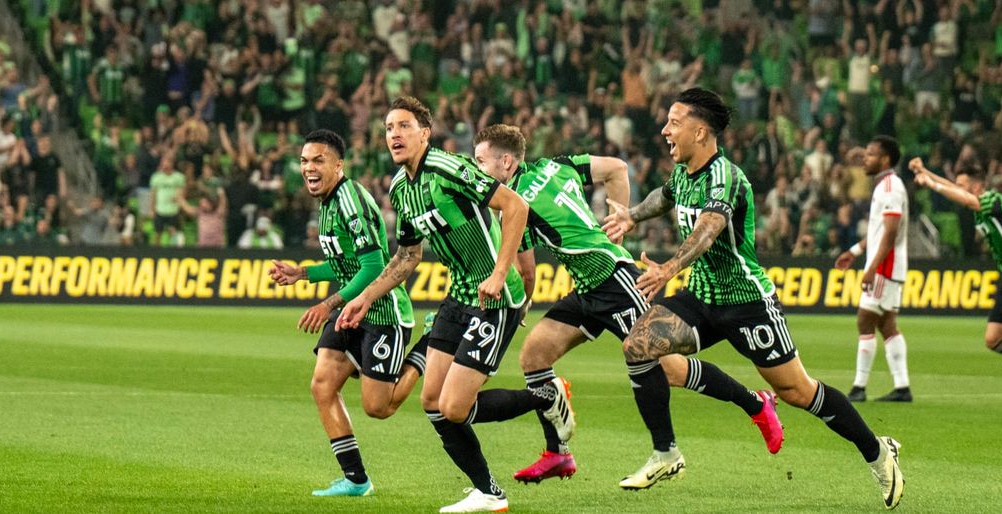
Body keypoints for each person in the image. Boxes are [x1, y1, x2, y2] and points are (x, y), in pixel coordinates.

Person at [602, 89, 902, 509]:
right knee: (638, 346)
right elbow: (664, 195)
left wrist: (669, 269)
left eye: (674, 122)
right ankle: (666, 453)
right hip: (703, 298)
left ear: (700, 130)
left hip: (747, 303)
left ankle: (877, 451)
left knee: (799, 392)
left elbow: (708, 228)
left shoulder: (725, 175)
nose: (665, 130)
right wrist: (632, 215)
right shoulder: (684, 172)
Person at [471, 124, 783, 486]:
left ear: (506, 162)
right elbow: (616, 168)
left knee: (666, 368)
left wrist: (521, 307)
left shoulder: (514, 205)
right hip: (589, 287)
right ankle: (558, 453)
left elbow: (527, 274)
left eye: (481, 161)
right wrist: (618, 220)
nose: (477, 170)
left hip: (615, 283)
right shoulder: (558, 164)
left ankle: (755, 404)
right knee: (535, 357)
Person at [337, 97, 530, 513]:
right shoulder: (400, 189)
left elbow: (516, 207)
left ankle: (544, 397)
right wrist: (364, 298)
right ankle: (488, 492)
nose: (394, 135)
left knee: (453, 406)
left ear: (425, 133)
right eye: (388, 128)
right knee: (431, 403)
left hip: (495, 298)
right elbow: (408, 256)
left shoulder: (449, 168)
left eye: (403, 126)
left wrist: (498, 274)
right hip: (458, 297)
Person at [269, 129, 427, 498]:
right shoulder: (328, 202)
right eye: (305, 161)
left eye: (318, 160)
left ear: (338, 165)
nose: (309, 167)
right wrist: (303, 273)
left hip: (383, 312)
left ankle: (426, 349)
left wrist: (328, 303)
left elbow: (373, 267)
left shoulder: (350, 200)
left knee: (379, 408)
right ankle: (356, 479)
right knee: (322, 384)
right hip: (351, 310)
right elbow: (345, 263)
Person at [835, 136, 912, 402]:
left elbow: (890, 234)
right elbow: (879, 231)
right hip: (889, 265)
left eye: (870, 154)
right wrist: (855, 252)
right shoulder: (886, 186)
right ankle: (902, 388)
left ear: (885, 159)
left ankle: (859, 387)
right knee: (887, 324)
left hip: (885, 266)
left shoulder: (890, 187)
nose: (865, 158)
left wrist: (873, 268)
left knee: (864, 319)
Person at [910, 159, 1002, 356]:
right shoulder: (981, 205)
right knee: (993, 338)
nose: (958, 190)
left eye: (963, 186)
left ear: (977, 186)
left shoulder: (993, 200)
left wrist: (930, 183)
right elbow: (955, 189)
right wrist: (926, 172)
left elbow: (968, 199)